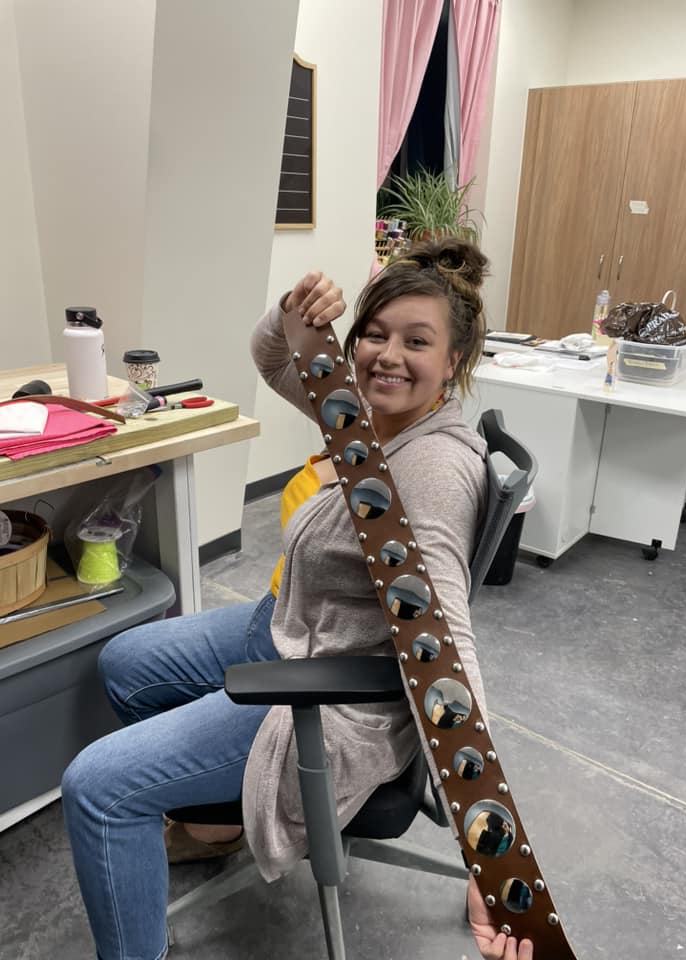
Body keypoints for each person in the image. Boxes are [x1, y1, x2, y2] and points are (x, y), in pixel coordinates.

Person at [61, 237, 533, 960]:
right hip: (290, 628)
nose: (386, 355)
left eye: (416, 341)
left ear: (455, 363)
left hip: (333, 695)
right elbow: (273, 359)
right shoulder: (367, 421)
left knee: (98, 787)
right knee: (125, 661)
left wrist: (491, 861)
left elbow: (448, 653)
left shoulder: (431, 469)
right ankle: (217, 821)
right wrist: (291, 310)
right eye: (374, 333)